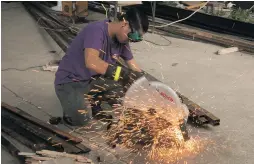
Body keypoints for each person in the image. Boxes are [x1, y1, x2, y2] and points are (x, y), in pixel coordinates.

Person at [53, 7, 149, 126]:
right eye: (132, 36)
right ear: (125, 23)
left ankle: (93, 100)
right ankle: (71, 111)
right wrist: (122, 74)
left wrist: (148, 88)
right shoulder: (96, 30)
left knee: (124, 87)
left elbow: (133, 66)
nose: (131, 40)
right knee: (82, 119)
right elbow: (91, 62)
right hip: (71, 81)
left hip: (93, 80)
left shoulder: (122, 40)